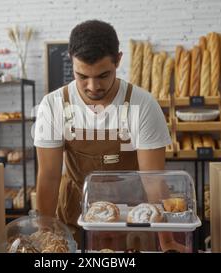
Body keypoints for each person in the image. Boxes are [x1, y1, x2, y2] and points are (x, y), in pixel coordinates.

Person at [34, 20, 183, 252]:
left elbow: (152, 180)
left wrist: (168, 242)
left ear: (118, 60)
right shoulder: (53, 106)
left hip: (133, 218)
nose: (93, 86)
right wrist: (45, 238)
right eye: (82, 76)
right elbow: (49, 177)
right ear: (70, 60)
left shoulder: (142, 105)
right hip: (76, 216)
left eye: (103, 75)